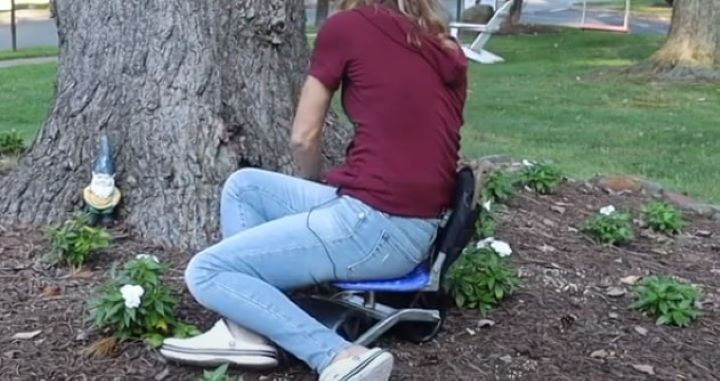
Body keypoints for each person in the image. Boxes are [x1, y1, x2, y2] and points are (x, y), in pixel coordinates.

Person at [159, 0, 468, 379]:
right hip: (416, 225)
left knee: (208, 270)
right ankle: (249, 328)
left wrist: (313, 188)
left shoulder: (348, 28)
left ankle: (339, 356)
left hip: (374, 225)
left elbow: (304, 136)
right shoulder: (444, 45)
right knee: (246, 187)